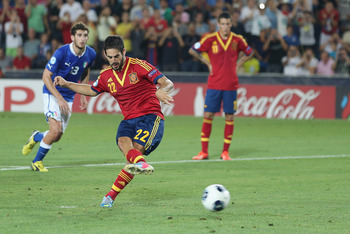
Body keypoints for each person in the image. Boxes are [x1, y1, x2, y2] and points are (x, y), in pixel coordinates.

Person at [54, 35, 174, 208]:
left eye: (116, 56)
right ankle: (140, 163)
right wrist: (66, 84)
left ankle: (111, 195)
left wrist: (160, 91)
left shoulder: (139, 66)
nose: (113, 60)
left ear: (123, 52)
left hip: (150, 117)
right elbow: (92, 90)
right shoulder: (106, 76)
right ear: (105, 55)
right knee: (123, 142)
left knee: (135, 150)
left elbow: (166, 82)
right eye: (109, 57)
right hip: (128, 120)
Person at [21, 22, 96, 172]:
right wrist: (59, 98)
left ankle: (36, 137)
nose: (82, 38)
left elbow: (85, 70)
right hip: (52, 93)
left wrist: (83, 93)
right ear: (72, 37)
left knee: (57, 135)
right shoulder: (62, 53)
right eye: (79, 35)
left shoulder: (91, 53)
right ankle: (37, 162)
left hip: (69, 96)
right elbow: (45, 76)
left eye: (85, 35)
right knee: (54, 130)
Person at [189, 12, 253, 161]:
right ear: (218, 24)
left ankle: (225, 152)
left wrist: (239, 63)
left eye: (228, 24)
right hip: (214, 84)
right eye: (223, 24)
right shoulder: (210, 39)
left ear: (231, 24)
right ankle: (204, 152)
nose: (225, 27)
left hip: (231, 85)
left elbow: (249, 52)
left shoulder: (237, 40)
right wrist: (208, 64)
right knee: (208, 115)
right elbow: (192, 50)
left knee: (229, 116)